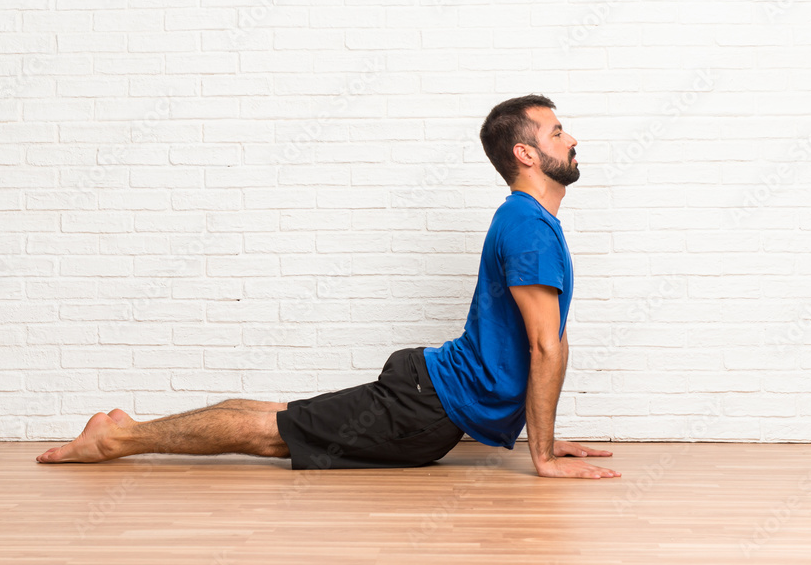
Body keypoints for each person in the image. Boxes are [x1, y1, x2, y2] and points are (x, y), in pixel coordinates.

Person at [37, 94, 621, 480]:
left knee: (284, 418)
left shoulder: (528, 222)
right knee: (273, 435)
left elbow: (529, 345)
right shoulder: (529, 227)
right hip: (428, 405)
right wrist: (542, 455)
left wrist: (546, 437)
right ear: (526, 153)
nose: (571, 139)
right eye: (557, 130)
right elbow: (546, 347)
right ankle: (114, 443)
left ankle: (125, 431)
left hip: (431, 394)